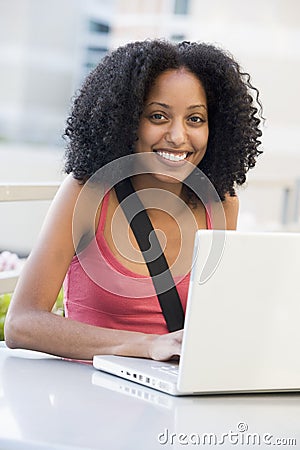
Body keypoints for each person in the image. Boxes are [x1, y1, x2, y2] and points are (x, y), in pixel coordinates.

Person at [4, 39, 263, 361]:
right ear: (126, 120)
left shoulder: (221, 203)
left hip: (174, 392)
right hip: (90, 391)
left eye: (195, 119)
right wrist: (148, 345)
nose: (178, 136)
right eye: (158, 116)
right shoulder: (88, 193)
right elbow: (22, 324)